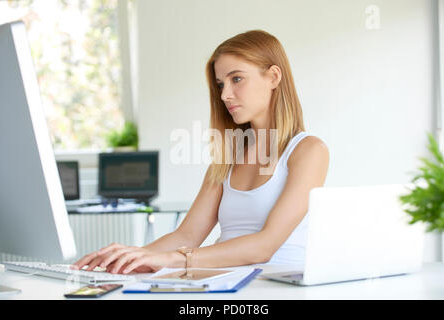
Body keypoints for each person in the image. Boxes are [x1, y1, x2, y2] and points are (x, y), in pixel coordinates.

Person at [72, 29, 330, 274]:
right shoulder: (229, 157)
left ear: (273, 77)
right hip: (228, 282)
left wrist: (175, 259)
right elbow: (187, 235)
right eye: (220, 85)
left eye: (236, 79)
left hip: (278, 288)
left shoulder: (308, 151)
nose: (225, 95)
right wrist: (130, 258)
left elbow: (265, 245)